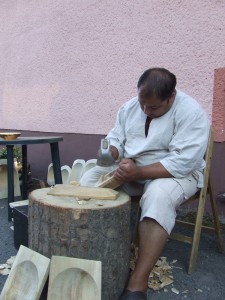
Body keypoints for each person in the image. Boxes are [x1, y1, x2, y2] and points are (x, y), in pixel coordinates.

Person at [80, 67, 210, 300]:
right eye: (143, 104)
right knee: (89, 178)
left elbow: (183, 162)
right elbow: (117, 137)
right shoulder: (131, 107)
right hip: (133, 170)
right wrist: (112, 151)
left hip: (175, 174)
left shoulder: (191, 113)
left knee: (157, 196)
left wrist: (138, 172)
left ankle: (138, 283)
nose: (145, 111)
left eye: (153, 108)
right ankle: (93, 252)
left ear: (171, 97)